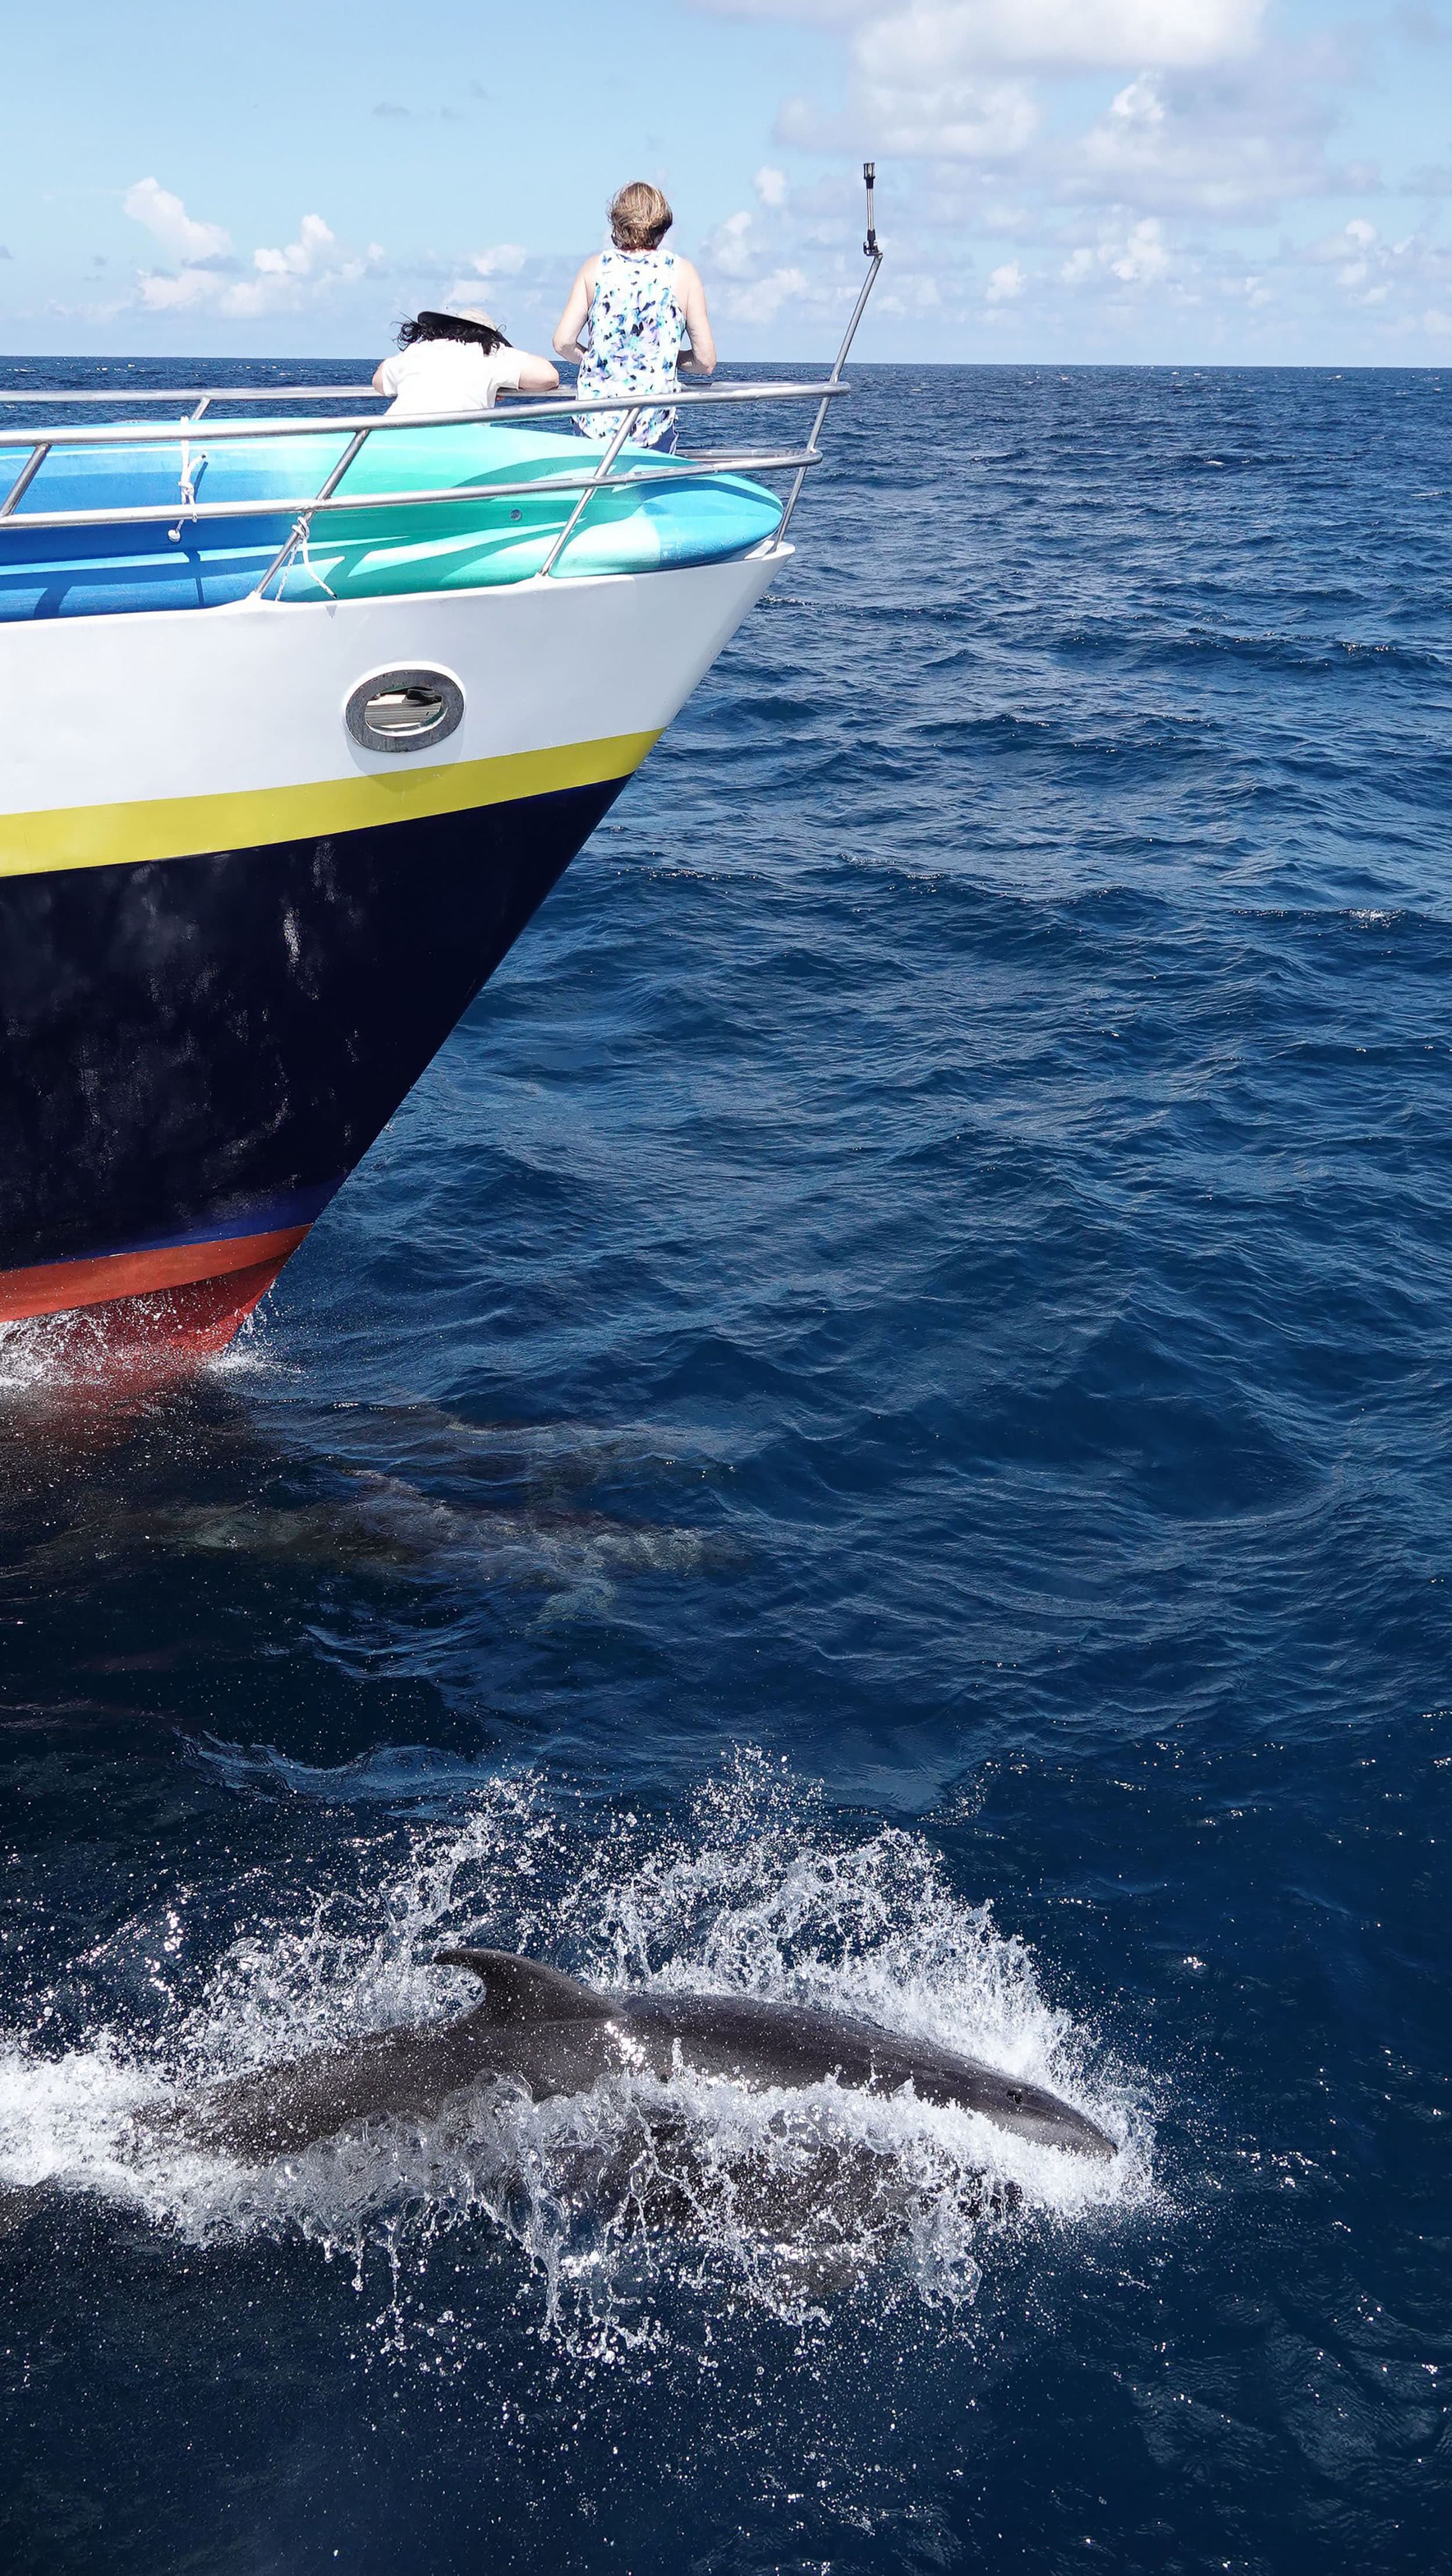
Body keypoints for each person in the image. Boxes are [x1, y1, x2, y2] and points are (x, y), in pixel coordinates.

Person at [552, 182, 716, 455]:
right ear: (662, 227)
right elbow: (705, 361)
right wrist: (663, 358)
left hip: (594, 423)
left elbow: (563, 343)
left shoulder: (595, 269)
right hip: (652, 426)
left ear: (618, 224)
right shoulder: (683, 273)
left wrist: (606, 360)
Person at [372, 307, 559, 415]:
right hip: (452, 445)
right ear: (489, 336)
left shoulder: (417, 351)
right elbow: (548, 377)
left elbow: (379, 381)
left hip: (391, 438)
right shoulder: (489, 352)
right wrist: (502, 385)